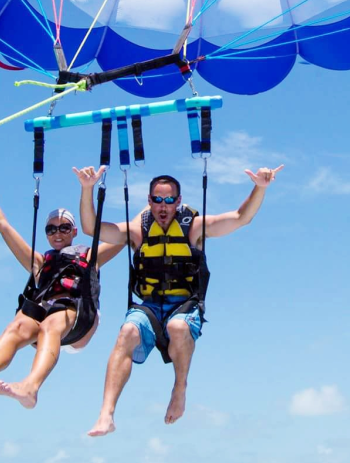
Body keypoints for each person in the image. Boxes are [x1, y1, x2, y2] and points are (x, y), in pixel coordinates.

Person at [78, 163, 284, 436]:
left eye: (169, 200)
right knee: (126, 332)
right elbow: (90, 228)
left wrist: (259, 188)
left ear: (179, 201)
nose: (163, 207)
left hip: (184, 305)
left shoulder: (193, 227)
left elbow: (239, 218)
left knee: (178, 327)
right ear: (149, 201)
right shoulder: (137, 230)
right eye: (158, 200)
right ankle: (106, 414)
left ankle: (179, 388)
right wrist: (87, 189)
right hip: (149, 307)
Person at [0, 165, 123, 409]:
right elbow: (4, 226)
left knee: (51, 323)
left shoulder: (91, 255)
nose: (57, 233)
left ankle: (30, 387)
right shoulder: (38, 262)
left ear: (74, 231)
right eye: (51, 229)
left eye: (64, 227)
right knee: (18, 324)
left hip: (80, 319)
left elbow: (126, 235)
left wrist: (89, 190)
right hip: (46, 317)